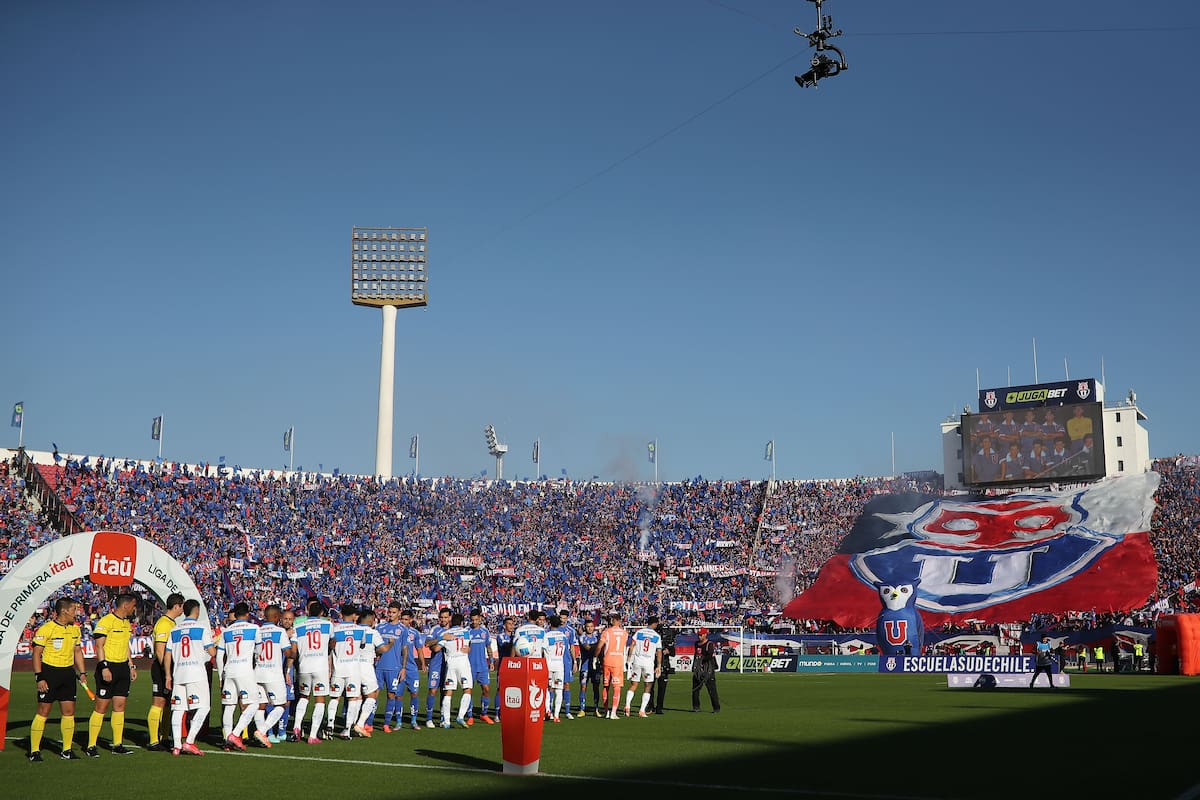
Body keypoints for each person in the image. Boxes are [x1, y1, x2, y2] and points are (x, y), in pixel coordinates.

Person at [29, 597, 88, 762]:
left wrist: (83, 673)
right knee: (43, 712)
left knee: (69, 712)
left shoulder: (75, 629)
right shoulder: (46, 629)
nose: (76, 613)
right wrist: (39, 677)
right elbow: (36, 654)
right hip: (49, 673)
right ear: (64, 611)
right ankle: (34, 751)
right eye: (74, 609)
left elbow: (77, 652)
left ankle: (67, 750)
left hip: (68, 674)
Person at [87, 592, 138, 757]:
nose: (134, 608)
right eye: (133, 605)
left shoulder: (126, 623)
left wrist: (131, 666)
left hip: (123, 668)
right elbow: (99, 646)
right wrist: (104, 667)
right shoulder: (106, 621)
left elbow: (126, 646)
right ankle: (91, 745)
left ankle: (117, 744)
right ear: (125, 605)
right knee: (101, 707)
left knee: (120, 707)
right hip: (108, 667)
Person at [163, 599, 216, 756]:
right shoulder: (201, 628)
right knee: (204, 707)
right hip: (196, 673)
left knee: (178, 709)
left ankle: (176, 745)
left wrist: (168, 675)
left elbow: (167, 654)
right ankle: (190, 741)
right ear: (197, 611)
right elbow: (212, 652)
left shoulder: (175, 630)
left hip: (178, 674)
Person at [217, 601, 261, 750]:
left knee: (229, 707)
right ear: (247, 614)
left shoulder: (226, 631)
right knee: (254, 703)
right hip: (245, 670)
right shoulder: (254, 628)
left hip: (229, 671)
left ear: (235, 615)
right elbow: (259, 651)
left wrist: (221, 676)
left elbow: (219, 656)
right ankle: (235, 734)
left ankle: (227, 740)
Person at [147, 592, 184, 752]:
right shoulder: (163, 624)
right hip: (162, 668)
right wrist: (166, 670)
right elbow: (160, 650)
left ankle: (164, 737)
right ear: (176, 606)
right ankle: (153, 741)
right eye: (181, 606)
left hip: (169, 667)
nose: (182, 610)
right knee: (158, 702)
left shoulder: (171, 623)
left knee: (168, 704)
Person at [291, 600, 333, 744]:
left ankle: (296, 726)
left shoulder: (298, 626)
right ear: (321, 613)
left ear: (308, 612)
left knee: (304, 697)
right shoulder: (328, 625)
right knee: (320, 700)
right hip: (320, 667)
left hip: (304, 666)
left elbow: (294, 649)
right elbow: (333, 642)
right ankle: (312, 735)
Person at [253, 604, 294, 745]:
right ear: (277, 617)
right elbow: (288, 653)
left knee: (261, 705)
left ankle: (262, 736)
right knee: (281, 705)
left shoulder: (257, 631)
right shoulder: (280, 631)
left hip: (258, 673)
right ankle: (262, 731)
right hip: (273, 674)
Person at [328, 603, 365, 740]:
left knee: (335, 697)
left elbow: (331, 646)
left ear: (341, 614)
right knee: (352, 698)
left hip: (338, 668)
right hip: (353, 669)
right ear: (354, 615)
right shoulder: (360, 630)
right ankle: (347, 729)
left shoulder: (335, 629)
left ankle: (330, 724)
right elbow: (362, 645)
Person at [351, 609, 389, 737]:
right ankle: (360, 724)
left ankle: (350, 725)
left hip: (352, 665)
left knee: (356, 696)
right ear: (370, 619)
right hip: (366, 665)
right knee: (372, 694)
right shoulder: (373, 632)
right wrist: (390, 644)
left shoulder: (353, 630)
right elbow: (382, 649)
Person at [375, 602, 408, 732]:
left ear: (399, 613)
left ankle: (386, 724)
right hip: (379, 666)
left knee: (391, 695)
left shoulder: (403, 629)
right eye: (389, 612)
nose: (391, 614)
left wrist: (403, 668)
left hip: (394, 667)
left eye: (394, 612)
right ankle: (369, 723)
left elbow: (405, 649)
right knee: (374, 694)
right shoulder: (380, 627)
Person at [439, 613, 473, 728]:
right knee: (467, 689)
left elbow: (437, 648)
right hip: (463, 661)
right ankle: (460, 716)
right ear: (462, 622)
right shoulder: (466, 632)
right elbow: (469, 644)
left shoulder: (446, 633)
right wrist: (469, 648)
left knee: (448, 691)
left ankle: (446, 722)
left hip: (451, 662)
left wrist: (441, 639)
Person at [625, 616, 663, 717]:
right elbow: (659, 651)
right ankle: (642, 710)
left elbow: (632, 645)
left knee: (634, 684)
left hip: (637, 662)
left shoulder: (639, 632)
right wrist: (659, 665)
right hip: (648, 663)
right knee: (647, 686)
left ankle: (627, 706)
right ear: (655, 624)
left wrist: (629, 659)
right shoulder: (656, 636)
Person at [465, 609, 497, 724]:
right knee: (469, 690)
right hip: (469, 666)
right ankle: (470, 716)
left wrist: (491, 661)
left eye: (476, 620)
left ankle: (484, 714)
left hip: (483, 666)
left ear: (480, 619)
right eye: (472, 620)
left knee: (486, 689)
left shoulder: (485, 632)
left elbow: (488, 647)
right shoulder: (467, 631)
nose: (474, 622)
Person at [397, 609, 426, 730]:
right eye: (402, 619)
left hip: (411, 668)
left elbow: (419, 649)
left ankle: (414, 720)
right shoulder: (396, 631)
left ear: (411, 620)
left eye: (406, 619)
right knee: (398, 695)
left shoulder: (415, 633)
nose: (403, 622)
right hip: (398, 667)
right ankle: (398, 721)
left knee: (414, 693)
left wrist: (423, 663)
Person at [596, 613, 629, 720]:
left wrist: (595, 657)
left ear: (612, 620)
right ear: (619, 621)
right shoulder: (625, 633)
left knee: (606, 686)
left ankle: (607, 712)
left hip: (607, 660)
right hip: (618, 662)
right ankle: (613, 712)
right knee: (617, 687)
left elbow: (599, 647)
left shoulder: (606, 632)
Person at [422, 607, 451, 729]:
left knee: (445, 691)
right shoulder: (435, 629)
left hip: (449, 665)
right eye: (441, 617)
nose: (443, 620)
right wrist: (441, 638)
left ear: (449, 618)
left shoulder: (454, 630)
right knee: (433, 690)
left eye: (445, 617)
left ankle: (443, 718)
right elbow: (428, 644)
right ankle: (429, 719)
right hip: (436, 664)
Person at [544, 616, 570, 722]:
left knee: (547, 688)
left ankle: (547, 710)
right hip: (559, 665)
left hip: (549, 665)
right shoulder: (563, 636)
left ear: (550, 623)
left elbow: (543, 650)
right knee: (559, 690)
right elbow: (566, 651)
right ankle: (556, 715)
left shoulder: (547, 636)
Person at [691, 628, 720, 713]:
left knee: (712, 690)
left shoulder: (709, 644)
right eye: (698, 635)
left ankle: (716, 708)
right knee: (695, 689)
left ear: (705, 635)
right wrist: (694, 666)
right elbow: (696, 655)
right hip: (698, 670)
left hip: (708, 670)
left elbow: (710, 655)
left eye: (701, 635)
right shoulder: (696, 644)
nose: (699, 636)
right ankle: (696, 707)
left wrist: (701, 661)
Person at [577, 619, 601, 716]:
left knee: (596, 687)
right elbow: (588, 648)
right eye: (588, 626)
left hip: (595, 666)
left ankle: (596, 709)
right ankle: (582, 709)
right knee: (583, 687)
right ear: (585, 627)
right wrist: (599, 647)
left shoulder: (596, 637)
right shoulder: (582, 637)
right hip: (585, 665)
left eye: (591, 626)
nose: (590, 628)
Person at [653, 623, 677, 714]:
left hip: (664, 666)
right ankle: (650, 705)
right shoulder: (653, 640)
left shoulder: (667, 641)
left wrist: (668, 651)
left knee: (662, 689)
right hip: (653, 665)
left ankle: (659, 707)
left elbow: (673, 653)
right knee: (650, 687)